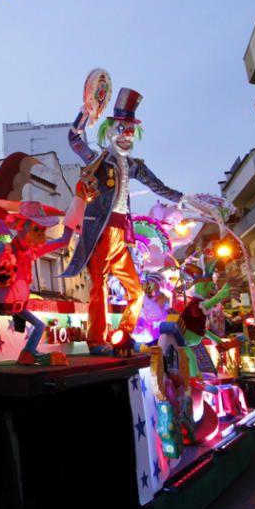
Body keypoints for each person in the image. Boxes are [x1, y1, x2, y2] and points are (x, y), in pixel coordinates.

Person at [62, 81, 185, 355]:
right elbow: (73, 139)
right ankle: (97, 341)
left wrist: (185, 200)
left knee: (136, 291)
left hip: (122, 236)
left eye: (130, 133)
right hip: (102, 232)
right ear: (109, 131)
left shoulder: (134, 165)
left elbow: (159, 187)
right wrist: (85, 112)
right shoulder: (97, 159)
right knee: (100, 287)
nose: (126, 137)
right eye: (121, 131)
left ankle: (123, 334)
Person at [0, 201, 70, 368]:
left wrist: (76, 215)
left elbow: (63, 241)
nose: (41, 234)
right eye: (37, 229)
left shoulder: (31, 251)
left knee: (39, 325)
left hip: (17, 306)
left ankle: (28, 353)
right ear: (22, 228)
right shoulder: (4, 248)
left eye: (42, 230)